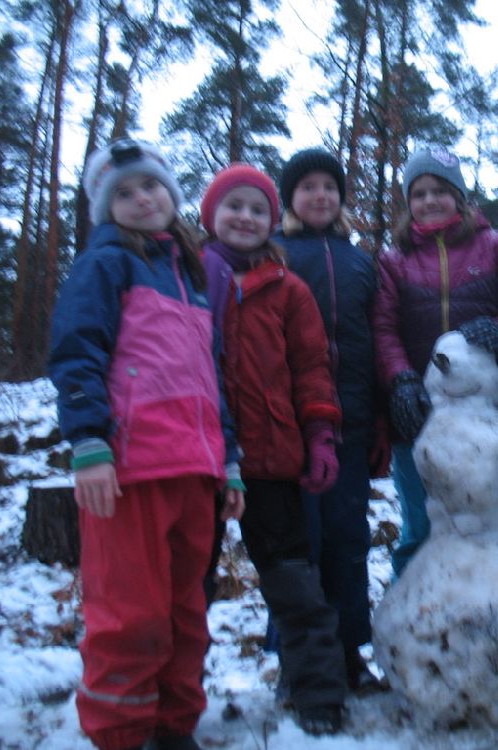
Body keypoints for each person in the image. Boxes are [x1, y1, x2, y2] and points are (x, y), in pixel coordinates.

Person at [48, 138, 245, 750]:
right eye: (124, 192)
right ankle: (121, 732)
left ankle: (173, 723)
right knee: (129, 614)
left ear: (171, 193)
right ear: (106, 207)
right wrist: (89, 444)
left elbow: (210, 376)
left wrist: (230, 461)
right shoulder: (104, 264)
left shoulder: (190, 273)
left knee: (187, 611)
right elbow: (77, 352)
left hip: (196, 469)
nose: (141, 199)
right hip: (128, 471)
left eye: (151, 186)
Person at [200, 164, 348, 735]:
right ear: (212, 215)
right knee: (189, 587)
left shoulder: (289, 289)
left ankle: (318, 694)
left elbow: (311, 368)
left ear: (272, 219)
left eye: (257, 209)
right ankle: (170, 701)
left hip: (270, 460)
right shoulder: (187, 276)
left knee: (294, 583)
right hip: (199, 458)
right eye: (233, 206)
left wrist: (319, 435)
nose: (245, 217)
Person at [373, 146, 498, 576]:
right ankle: (410, 628)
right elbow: (383, 331)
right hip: (418, 419)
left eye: (439, 190)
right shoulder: (394, 261)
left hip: (492, 417)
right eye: (419, 193)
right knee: (420, 530)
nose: (429, 201)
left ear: (459, 195)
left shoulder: (497, 248)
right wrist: (401, 381)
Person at [274, 147, 388, 693]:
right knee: (300, 545)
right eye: (307, 187)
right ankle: (299, 660)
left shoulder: (362, 261)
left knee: (348, 540)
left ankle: (348, 654)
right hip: (289, 426)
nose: (320, 195)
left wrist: (382, 421)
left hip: (353, 423)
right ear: (290, 199)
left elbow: (376, 341)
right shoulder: (274, 255)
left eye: (329, 186)